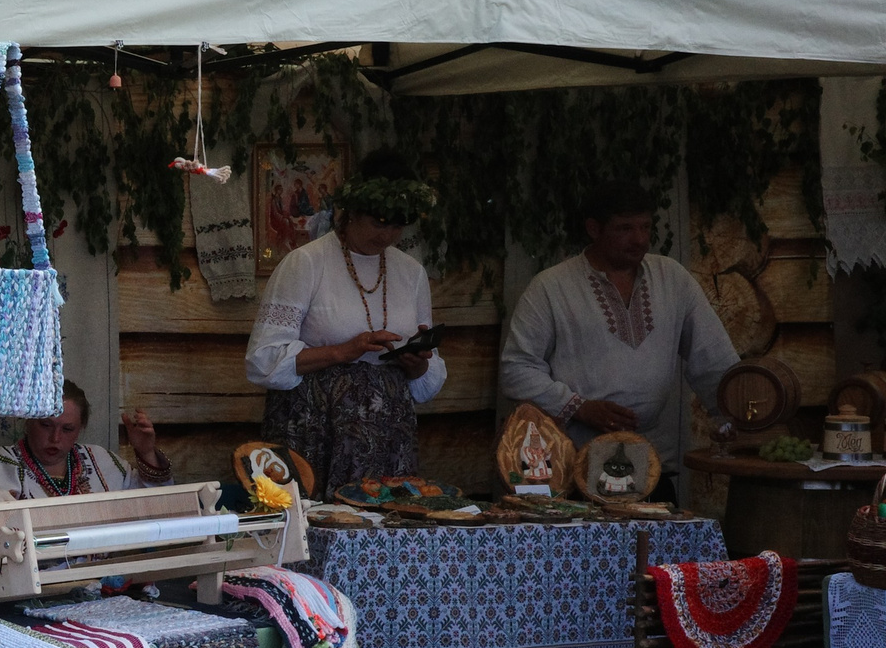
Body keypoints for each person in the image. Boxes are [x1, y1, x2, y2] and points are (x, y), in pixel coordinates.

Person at [500, 180, 738, 483]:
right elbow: (516, 369)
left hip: (651, 459)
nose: (639, 239)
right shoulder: (551, 287)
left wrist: (736, 414)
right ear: (594, 229)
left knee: (652, 530)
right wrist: (580, 408)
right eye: (625, 228)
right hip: (572, 459)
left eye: (645, 227)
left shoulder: (673, 280)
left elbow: (714, 360)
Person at [245, 152, 445, 491]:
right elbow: (263, 359)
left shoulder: (411, 273)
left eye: (397, 225)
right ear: (351, 212)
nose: (387, 235)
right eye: (378, 222)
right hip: (314, 431)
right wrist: (342, 352)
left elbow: (426, 380)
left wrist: (417, 365)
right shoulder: (306, 263)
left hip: (387, 439)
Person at [0, 379, 173, 497]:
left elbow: (158, 504)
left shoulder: (101, 461)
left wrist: (146, 452)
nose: (55, 438)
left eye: (67, 429)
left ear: (80, 428)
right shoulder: (1, 469)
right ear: (27, 420)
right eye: (45, 425)